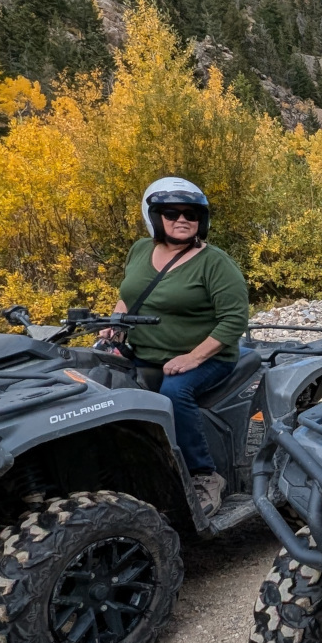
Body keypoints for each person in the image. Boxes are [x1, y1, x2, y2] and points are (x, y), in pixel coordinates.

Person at [108, 177, 250, 512]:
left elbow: (234, 320)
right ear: (156, 218)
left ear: (202, 220)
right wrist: (112, 327)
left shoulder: (215, 262)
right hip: (143, 353)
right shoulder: (140, 250)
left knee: (174, 393)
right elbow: (127, 297)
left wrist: (193, 357)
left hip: (209, 357)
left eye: (191, 213)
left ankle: (204, 475)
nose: (182, 219)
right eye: (171, 213)